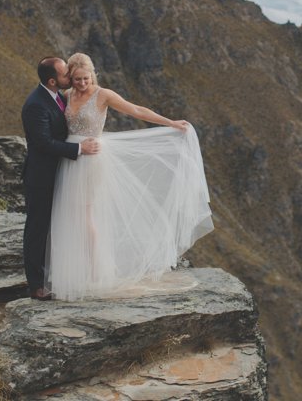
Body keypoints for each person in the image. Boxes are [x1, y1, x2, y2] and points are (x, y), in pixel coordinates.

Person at [46, 53, 214, 301]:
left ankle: (95, 271)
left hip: (91, 161)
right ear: (70, 77)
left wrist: (170, 123)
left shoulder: (103, 95)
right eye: (77, 79)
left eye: (86, 78)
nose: (82, 83)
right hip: (70, 158)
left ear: (93, 74)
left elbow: (136, 110)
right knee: (69, 214)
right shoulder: (67, 96)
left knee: (86, 216)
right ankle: (76, 268)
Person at [20, 57, 100, 301]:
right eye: (67, 72)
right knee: (38, 229)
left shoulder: (59, 96)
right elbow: (43, 143)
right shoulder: (36, 104)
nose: (71, 73)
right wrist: (78, 150)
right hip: (41, 176)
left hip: (62, 172)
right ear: (53, 80)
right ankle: (36, 285)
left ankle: (56, 275)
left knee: (58, 226)